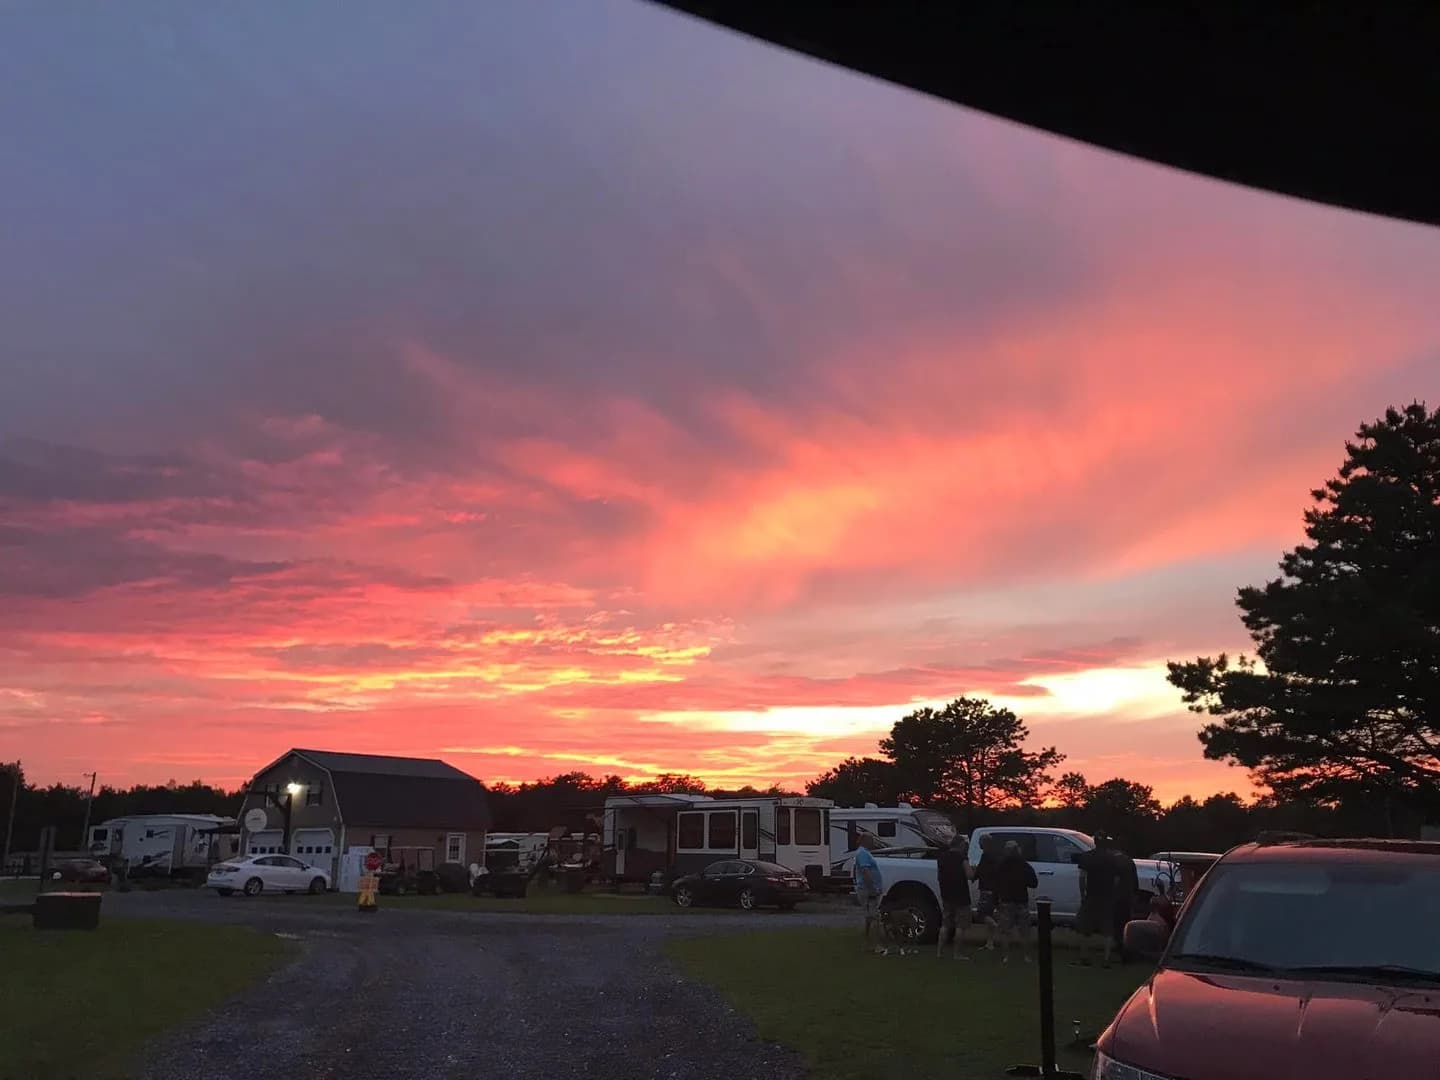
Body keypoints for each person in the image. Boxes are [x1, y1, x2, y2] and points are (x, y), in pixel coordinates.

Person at [1075, 832, 1120, 966]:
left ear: (1094, 841)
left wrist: (1083, 895)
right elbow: (1117, 879)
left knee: (1085, 927)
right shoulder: (1112, 858)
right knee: (1107, 928)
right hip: (1107, 896)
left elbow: (1082, 878)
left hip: (1091, 895)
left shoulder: (1087, 857)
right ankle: (1106, 959)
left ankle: (1084, 957)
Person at [994, 839, 1037, 964]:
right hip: (1021, 901)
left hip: (1006, 901)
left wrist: (996, 900)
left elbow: (996, 884)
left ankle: (1006, 957)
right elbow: (1034, 883)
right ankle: (1026, 956)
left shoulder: (1001, 865)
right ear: (1017, 850)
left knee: (1005, 931)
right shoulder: (1024, 865)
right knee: (1024, 931)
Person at [935, 833, 973, 960]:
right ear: (961, 845)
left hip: (946, 894)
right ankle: (957, 954)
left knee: (945, 924)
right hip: (961, 895)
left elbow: (939, 876)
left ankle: (939, 952)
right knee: (960, 926)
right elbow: (969, 875)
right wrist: (974, 872)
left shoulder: (942, 857)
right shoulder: (962, 857)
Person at [852, 834, 887, 955]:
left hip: (867, 889)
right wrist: (873, 888)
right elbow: (866, 872)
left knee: (868, 917)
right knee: (875, 917)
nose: (873, 843)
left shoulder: (865, 852)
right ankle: (877, 945)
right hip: (868, 890)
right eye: (871, 840)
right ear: (865, 841)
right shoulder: (862, 853)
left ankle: (866, 943)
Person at [971, 833, 1001, 950]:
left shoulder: (986, 856)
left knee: (982, 914)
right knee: (989, 914)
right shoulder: (995, 855)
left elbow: (980, 871)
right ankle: (989, 943)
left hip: (987, 889)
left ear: (984, 843)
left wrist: (973, 875)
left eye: (980, 842)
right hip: (995, 889)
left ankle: (997, 927)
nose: (979, 844)